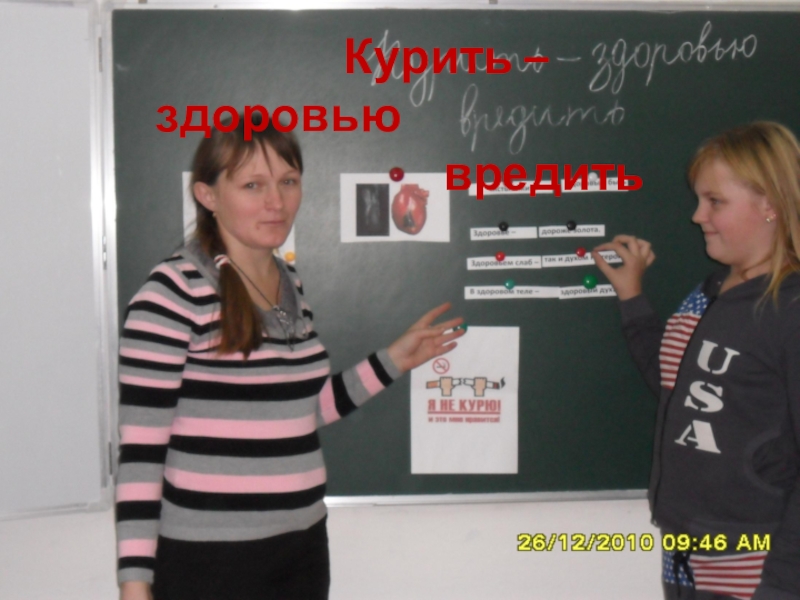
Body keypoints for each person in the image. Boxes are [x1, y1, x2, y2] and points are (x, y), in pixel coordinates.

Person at [115, 117, 465, 600]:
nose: (276, 202)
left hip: (300, 548)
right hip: (208, 562)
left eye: (288, 181)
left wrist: (392, 361)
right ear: (208, 196)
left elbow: (300, 411)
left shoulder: (288, 283)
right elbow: (141, 454)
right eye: (252, 185)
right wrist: (134, 585)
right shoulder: (172, 293)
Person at [593, 121, 800, 600]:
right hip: (686, 550)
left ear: (769, 203)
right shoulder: (709, 292)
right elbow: (679, 388)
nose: (697, 216)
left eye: (715, 201)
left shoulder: (789, 309)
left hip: (754, 563)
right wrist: (633, 299)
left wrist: (781, 586)